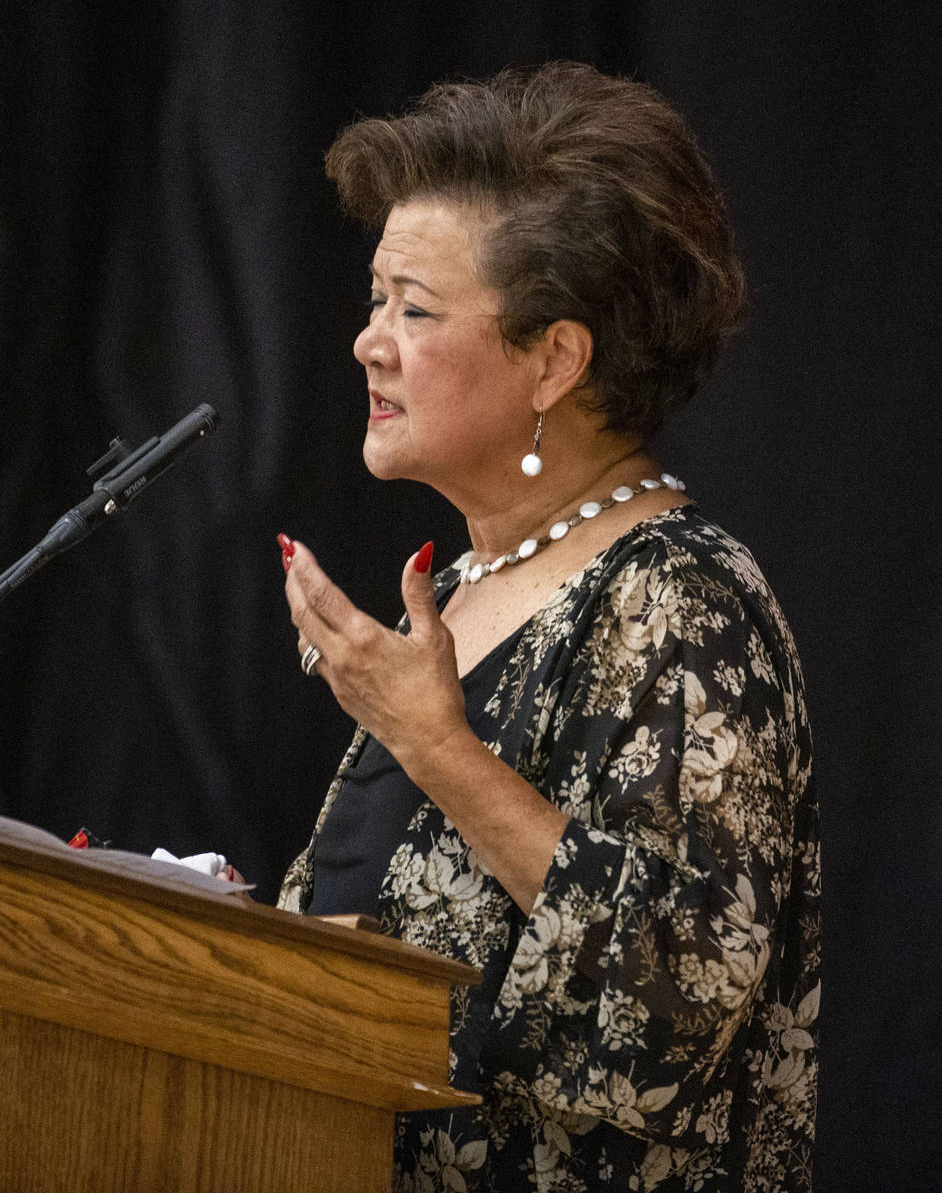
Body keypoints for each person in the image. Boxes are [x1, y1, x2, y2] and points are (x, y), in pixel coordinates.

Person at [276, 62, 819, 1193]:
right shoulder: (471, 585)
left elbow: (676, 1009)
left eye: (413, 309)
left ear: (554, 360)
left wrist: (435, 748)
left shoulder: (683, 601)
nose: (370, 342)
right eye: (376, 302)